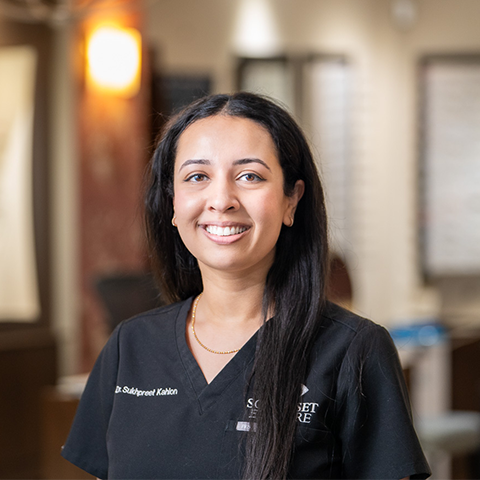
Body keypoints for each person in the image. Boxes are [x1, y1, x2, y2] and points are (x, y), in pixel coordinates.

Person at [61, 92, 431, 480]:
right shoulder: (130, 347)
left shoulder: (352, 351)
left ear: (292, 200)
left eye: (249, 176)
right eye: (197, 177)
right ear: (172, 201)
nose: (221, 200)